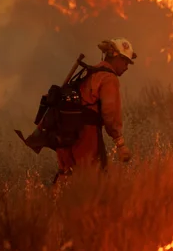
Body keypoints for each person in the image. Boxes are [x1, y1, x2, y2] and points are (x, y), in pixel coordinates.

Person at [53, 38, 135, 181]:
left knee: (66, 179)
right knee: (93, 180)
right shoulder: (109, 78)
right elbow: (110, 113)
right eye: (125, 61)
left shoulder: (91, 73)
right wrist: (120, 144)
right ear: (115, 57)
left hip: (66, 134)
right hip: (86, 135)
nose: (127, 66)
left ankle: (53, 203)